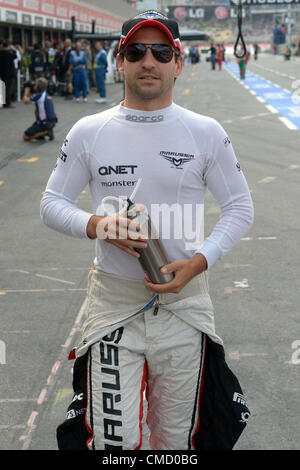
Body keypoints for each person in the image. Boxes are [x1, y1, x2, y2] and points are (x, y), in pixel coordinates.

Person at [40, 10, 253, 451]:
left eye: (161, 51)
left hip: (185, 307)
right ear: (120, 62)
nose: (148, 61)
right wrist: (97, 225)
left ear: (178, 61)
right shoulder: (88, 131)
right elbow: (50, 204)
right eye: (136, 51)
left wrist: (198, 262)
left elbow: (239, 208)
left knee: (177, 445)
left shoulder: (205, 132)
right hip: (115, 306)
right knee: (112, 445)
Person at [0, 39, 17, 108]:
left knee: (4, 88)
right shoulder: (9, 53)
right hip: (10, 74)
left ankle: (4, 102)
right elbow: (15, 56)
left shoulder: (0, 53)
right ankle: (8, 103)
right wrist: (12, 49)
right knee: (9, 89)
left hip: (3, 74)